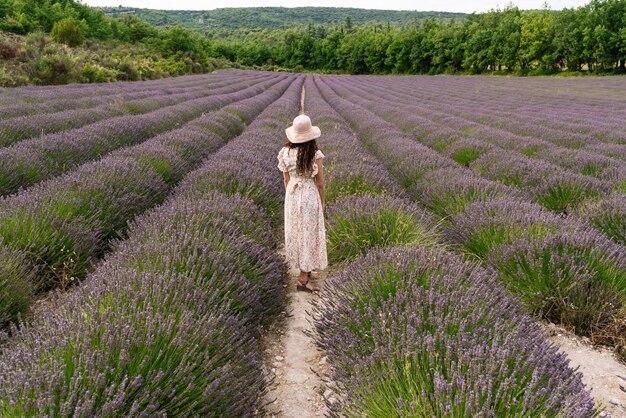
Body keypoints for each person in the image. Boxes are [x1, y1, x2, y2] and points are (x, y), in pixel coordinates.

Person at [277, 114, 328, 292]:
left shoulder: (285, 152)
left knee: (296, 233)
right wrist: (321, 202)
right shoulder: (314, 154)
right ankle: (303, 279)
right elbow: (320, 183)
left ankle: (303, 269)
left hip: (292, 193)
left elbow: (286, 178)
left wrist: (290, 197)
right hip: (308, 195)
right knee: (308, 233)